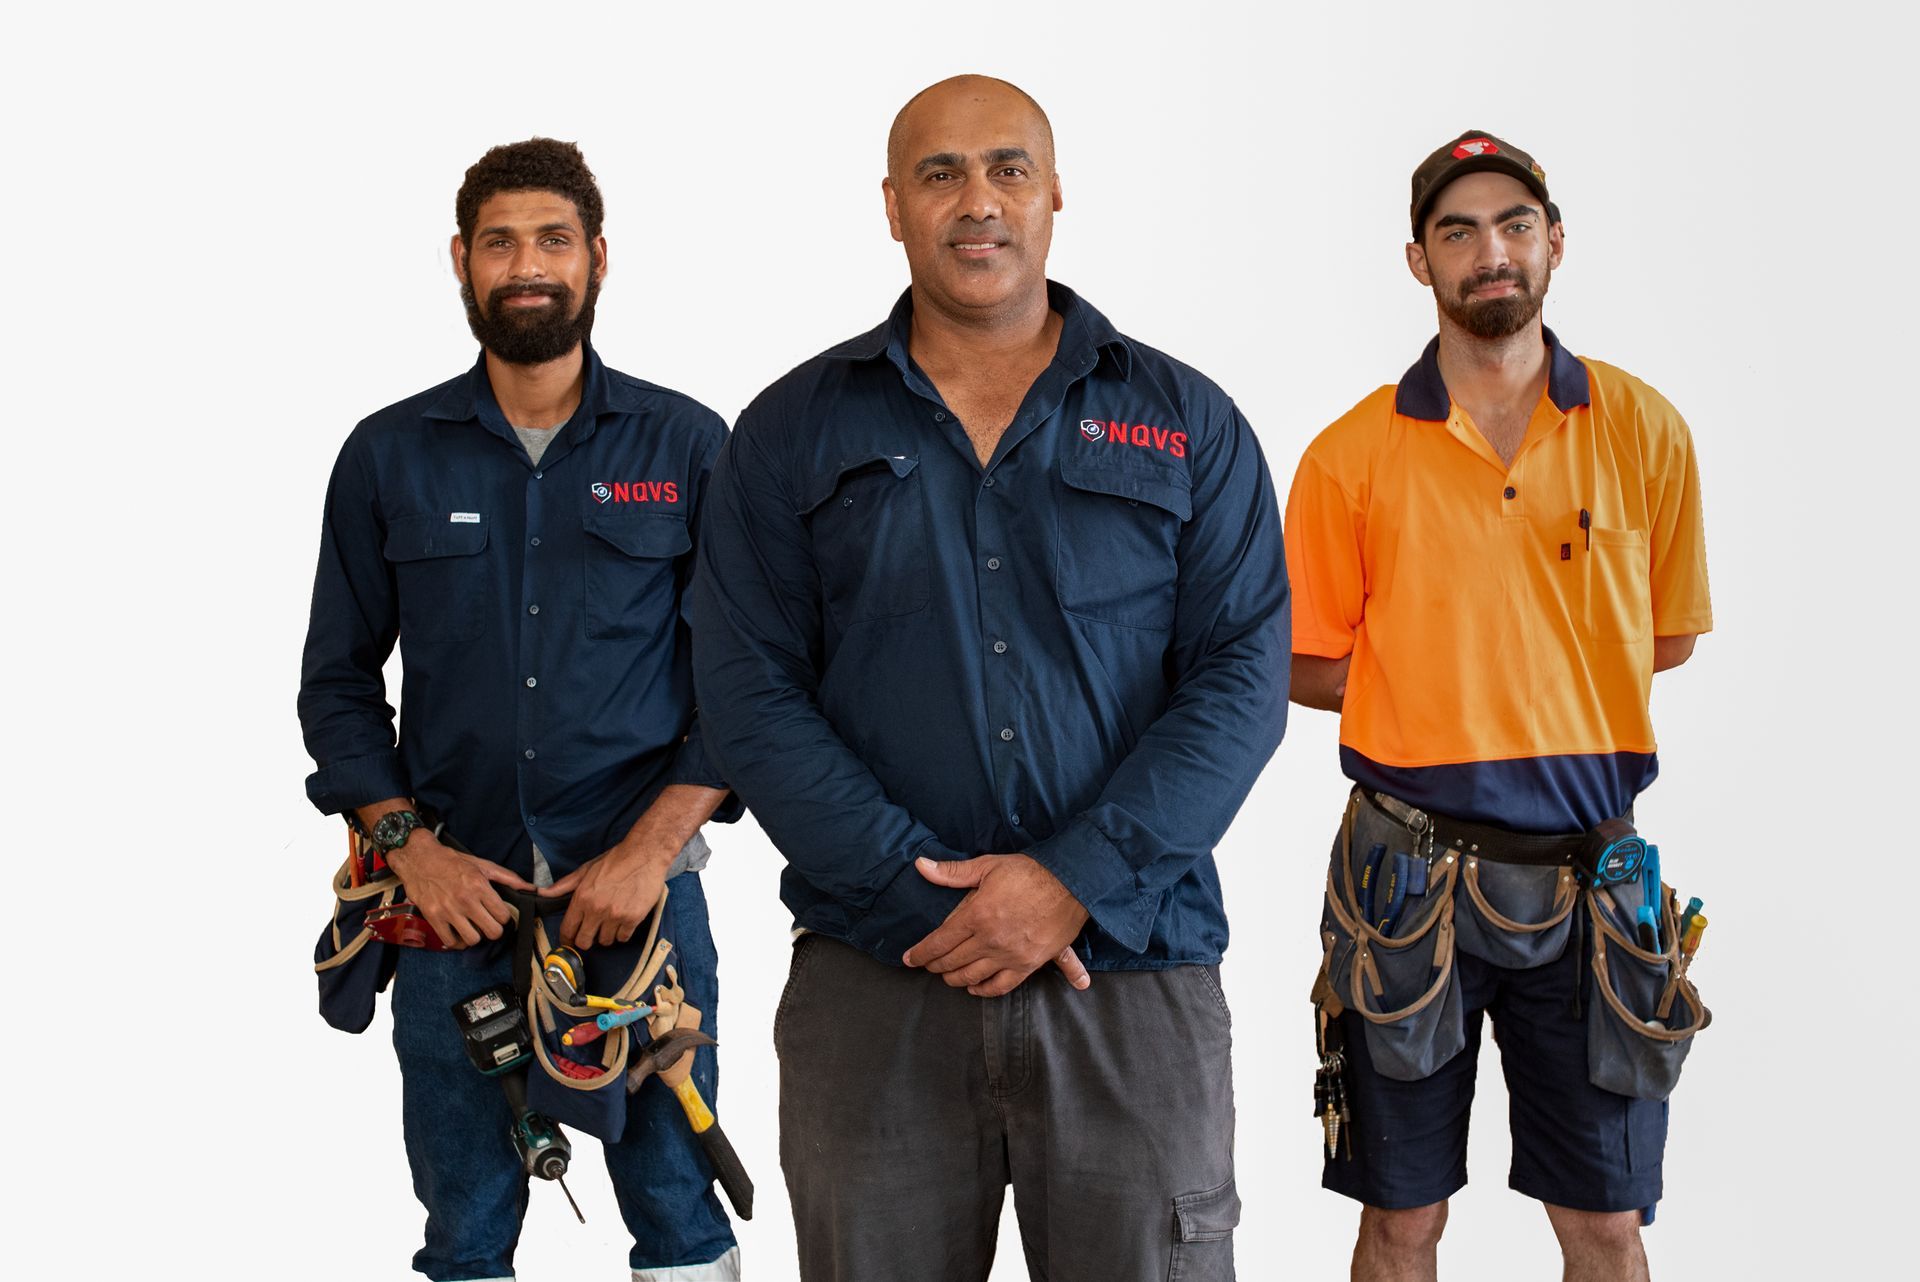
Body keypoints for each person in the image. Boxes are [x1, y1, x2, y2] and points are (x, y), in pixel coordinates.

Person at [690, 75, 1289, 1281]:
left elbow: (1242, 679)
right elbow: (747, 691)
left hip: (1132, 970)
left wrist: (1072, 881)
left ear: (1055, 192)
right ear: (893, 207)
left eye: (1008, 168)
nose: (979, 202)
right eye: (941, 173)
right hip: (877, 982)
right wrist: (933, 905)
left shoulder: (1187, 421)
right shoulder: (792, 430)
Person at [298, 138, 741, 1282]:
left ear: (598, 259)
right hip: (453, 913)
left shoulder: (688, 446)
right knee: (466, 1232)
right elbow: (337, 685)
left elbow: (748, 687)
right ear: (461, 261)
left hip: (643, 915)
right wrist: (413, 851)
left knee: (683, 1216)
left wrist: (646, 853)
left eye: (553, 239)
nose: (526, 264)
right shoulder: (388, 454)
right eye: (500, 241)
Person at [1285, 130, 1713, 1281]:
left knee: (1605, 1224)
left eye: (1515, 225)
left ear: (1555, 243)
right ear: (1418, 261)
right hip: (1405, 883)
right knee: (1401, 1220)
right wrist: (1439, 688)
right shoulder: (1350, 456)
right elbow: (1305, 660)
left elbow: (1662, 635)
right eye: (1458, 230)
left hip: (1594, 882)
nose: (1492, 251)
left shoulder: (1645, 431)